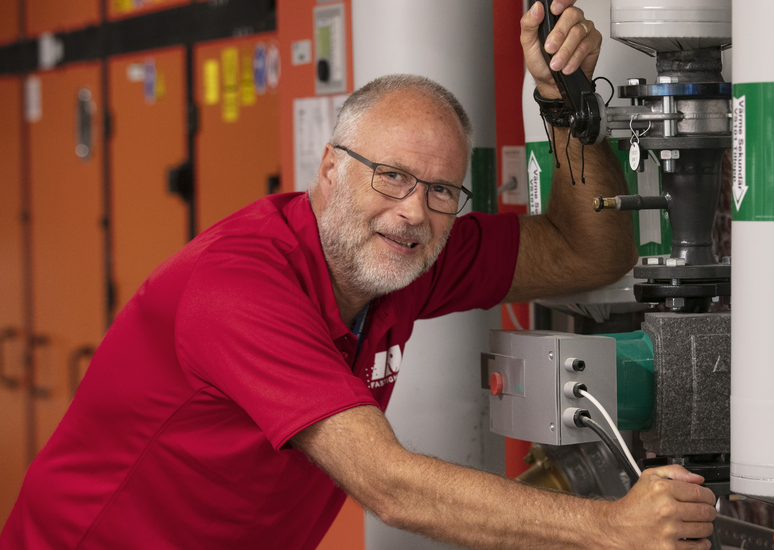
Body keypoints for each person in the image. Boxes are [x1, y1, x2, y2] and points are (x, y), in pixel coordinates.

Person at [0, 3, 717, 549]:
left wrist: (566, 104)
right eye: (392, 177)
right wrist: (611, 528)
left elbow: (586, 252)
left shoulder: (403, 260)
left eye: (442, 189)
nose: (413, 212)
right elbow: (388, 485)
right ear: (330, 169)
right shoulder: (239, 288)